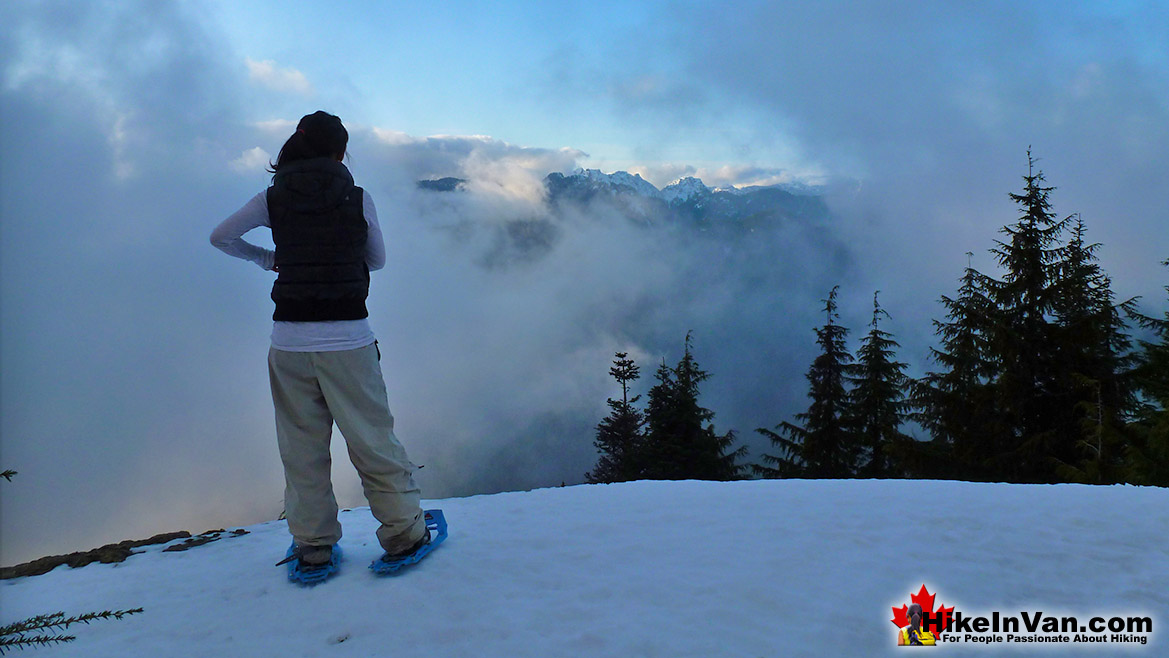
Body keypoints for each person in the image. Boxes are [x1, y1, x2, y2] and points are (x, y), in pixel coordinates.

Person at [210, 111, 428, 573]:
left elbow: (222, 237)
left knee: (302, 447)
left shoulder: (271, 198)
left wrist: (268, 258)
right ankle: (404, 534)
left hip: (288, 341)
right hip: (348, 338)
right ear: (340, 152)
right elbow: (379, 260)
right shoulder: (357, 197)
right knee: (372, 441)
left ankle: (313, 546)